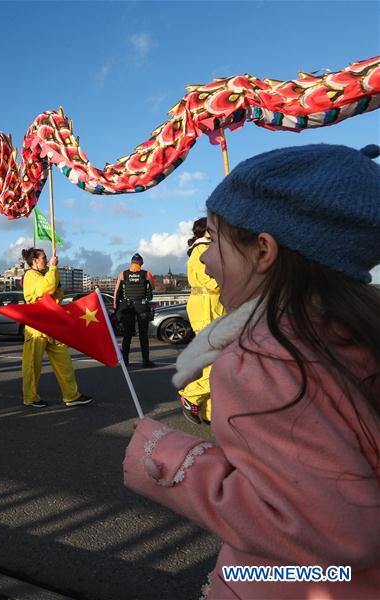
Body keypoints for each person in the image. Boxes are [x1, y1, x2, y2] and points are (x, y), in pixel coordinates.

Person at [123, 143, 380, 598]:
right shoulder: (355, 330)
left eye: (214, 240)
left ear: (263, 251)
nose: (204, 260)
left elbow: (334, 529)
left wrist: (166, 458)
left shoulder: (263, 360)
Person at [20, 248, 91, 408]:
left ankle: (71, 395)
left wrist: (57, 283)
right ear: (35, 261)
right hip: (37, 327)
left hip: (51, 325)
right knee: (32, 365)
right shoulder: (30, 275)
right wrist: (53, 268)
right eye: (44, 258)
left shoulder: (42, 276)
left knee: (64, 362)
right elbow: (47, 288)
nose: (47, 260)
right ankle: (30, 397)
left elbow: (55, 295)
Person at [179, 218, 224, 424]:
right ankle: (191, 396)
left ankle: (209, 412)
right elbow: (212, 282)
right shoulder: (202, 249)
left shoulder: (203, 249)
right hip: (208, 308)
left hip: (210, 307)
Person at [113, 253, 157, 368]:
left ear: (131, 263)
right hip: (141, 306)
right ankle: (145, 361)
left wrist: (116, 309)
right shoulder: (147, 274)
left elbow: (116, 292)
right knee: (143, 335)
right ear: (141, 263)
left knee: (127, 334)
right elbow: (153, 287)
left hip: (127, 306)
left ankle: (125, 361)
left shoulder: (122, 274)